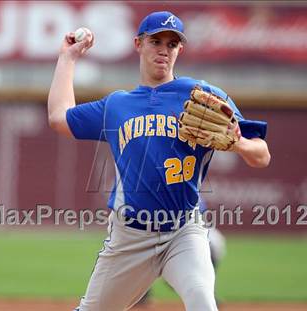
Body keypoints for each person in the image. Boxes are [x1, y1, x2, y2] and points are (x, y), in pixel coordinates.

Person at [48, 11, 270, 311]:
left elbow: (262, 154)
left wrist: (240, 143)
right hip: (130, 237)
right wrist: (68, 59)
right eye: (156, 41)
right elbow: (59, 118)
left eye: (172, 43)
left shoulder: (202, 95)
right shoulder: (117, 105)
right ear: (138, 43)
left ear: (180, 49)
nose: (164, 49)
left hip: (184, 231)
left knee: (203, 302)